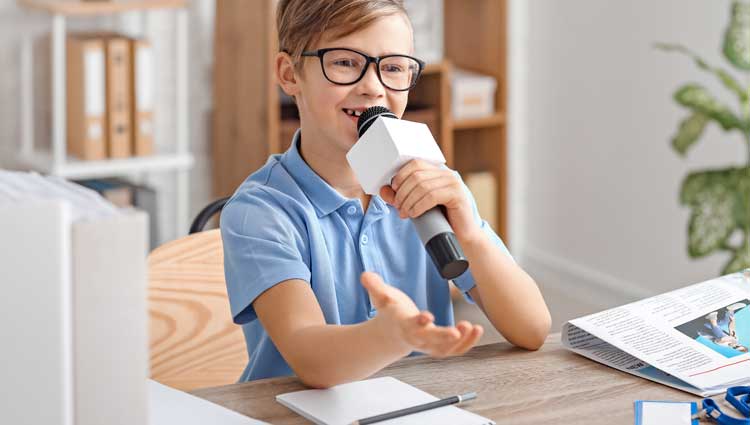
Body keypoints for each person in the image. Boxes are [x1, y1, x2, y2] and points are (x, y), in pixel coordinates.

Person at [220, 0, 551, 388]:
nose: (373, 87)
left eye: (393, 67)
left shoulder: (430, 183)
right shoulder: (260, 211)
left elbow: (532, 328)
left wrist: (469, 232)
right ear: (290, 74)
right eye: (344, 62)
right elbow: (311, 358)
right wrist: (391, 337)